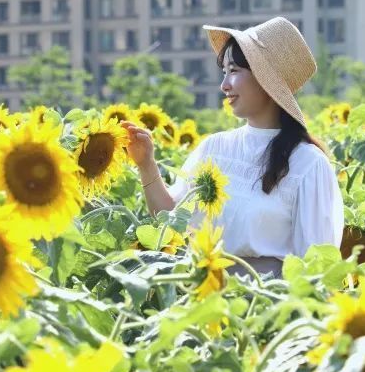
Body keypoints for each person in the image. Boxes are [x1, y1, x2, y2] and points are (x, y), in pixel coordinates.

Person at [122, 16, 345, 280]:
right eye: (224, 72)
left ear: (265, 80)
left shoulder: (307, 164)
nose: (224, 85)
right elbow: (170, 217)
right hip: (203, 303)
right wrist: (146, 164)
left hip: (265, 308)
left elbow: (316, 268)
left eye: (234, 71)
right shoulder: (215, 148)